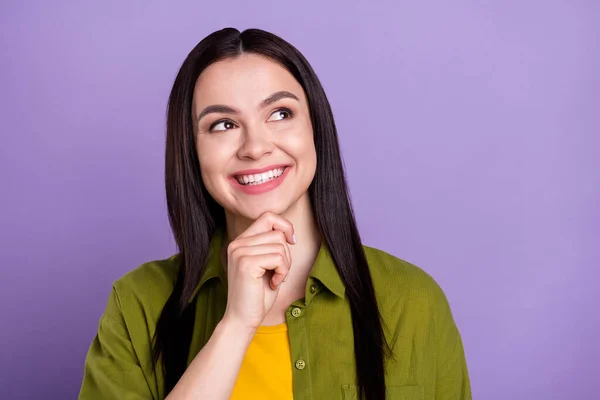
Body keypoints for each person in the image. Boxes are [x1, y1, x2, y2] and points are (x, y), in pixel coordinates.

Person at [79, 27, 471, 400]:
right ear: (192, 151)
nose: (255, 146)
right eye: (224, 124)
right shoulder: (139, 304)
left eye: (280, 113)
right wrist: (235, 326)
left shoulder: (414, 301)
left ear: (315, 127)